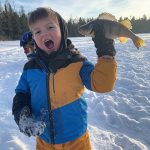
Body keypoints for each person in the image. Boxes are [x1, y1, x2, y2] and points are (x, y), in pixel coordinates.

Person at [12, 7, 117, 150]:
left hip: (76, 141)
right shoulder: (30, 68)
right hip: (44, 142)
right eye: (38, 31)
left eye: (50, 27)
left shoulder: (77, 63)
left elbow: (103, 84)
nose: (45, 33)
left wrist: (106, 52)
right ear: (33, 38)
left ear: (62, 30)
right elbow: (21, 94)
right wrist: (22, 115)